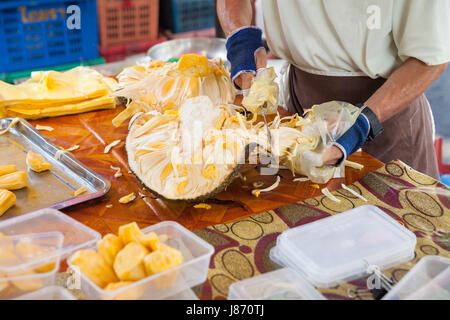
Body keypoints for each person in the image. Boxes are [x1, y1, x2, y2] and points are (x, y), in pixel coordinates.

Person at [217, 0, 450, 179]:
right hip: (297, 109)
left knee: (390, 230)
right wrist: (241, 36)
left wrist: (363, 123)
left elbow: (429, 59)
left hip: (384, 117)